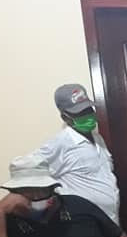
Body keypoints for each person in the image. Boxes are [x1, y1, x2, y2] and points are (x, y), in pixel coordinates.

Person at [37, 83, 120, 224]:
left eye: (88, 109)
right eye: (80, 113)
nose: (87, 115)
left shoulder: (98, 139)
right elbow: (29, 171)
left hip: (111, 221)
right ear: (65, 117)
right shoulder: (60, 144)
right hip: (84, 224)